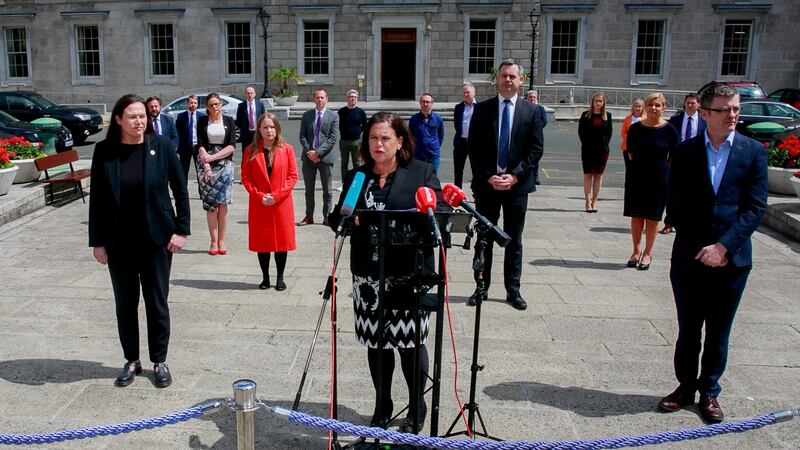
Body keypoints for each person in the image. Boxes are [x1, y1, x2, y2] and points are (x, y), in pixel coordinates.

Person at [327, 112, 445, 433]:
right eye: (373, 139)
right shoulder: (357, 177)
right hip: (368, 277)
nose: (378, 145)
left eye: (385, 138)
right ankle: (383, 403)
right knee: (377, 345)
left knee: (409, 342)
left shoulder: (421, 172)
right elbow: (340, 218)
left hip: (408, 274)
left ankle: (416, 405)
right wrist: (343, 220)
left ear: (400, 141)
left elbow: (439, 214)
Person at [659, 82, 767, 423]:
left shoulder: (753, 151)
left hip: (733, 258)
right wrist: (701, 248)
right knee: (688, 328)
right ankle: (685, 386)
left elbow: (755, 207)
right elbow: (675, 204)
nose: (733, 115)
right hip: (690, 257)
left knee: (720, 329)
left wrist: (723, 247)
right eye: (725, 110)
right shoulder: (686, 151)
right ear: (705, 114)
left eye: (736, 108)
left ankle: (710, 392)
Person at [88, 94, 190, 389]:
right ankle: (132, 359)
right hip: (118, 241)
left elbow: (180, 190)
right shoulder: (104, 150)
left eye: (143, 116)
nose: (139, 121)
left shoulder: (160, 146)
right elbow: (98, 199)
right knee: (125, 303)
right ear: (118, 119)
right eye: (132, 116)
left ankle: (159, 360)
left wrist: (181, 230)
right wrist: (97, 241)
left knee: (157, 302)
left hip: (156, 239)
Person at [467, 59, 544, 311]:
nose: (508, 80)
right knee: (484, 238)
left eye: (512, 76)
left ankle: (513, 290)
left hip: (517, 187)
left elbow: (535, 149)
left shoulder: (531, 112)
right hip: (487, 186)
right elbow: (474, 148)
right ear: (497, 79)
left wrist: (515, 176)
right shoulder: (483, 110)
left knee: (514, 239)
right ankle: (481, 287)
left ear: (521, 80)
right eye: (503, 76)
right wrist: (489, 175)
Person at [241, 113, 298, 291]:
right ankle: (265, 277)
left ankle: (280, 277)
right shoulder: (250, 150)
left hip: (281, 203)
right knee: (262, 242)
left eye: (272, 127)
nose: (269, 130)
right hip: (260, 204)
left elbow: (292, 176)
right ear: (259, 129)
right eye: (265, 127)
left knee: (281, 242)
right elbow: (246, 177)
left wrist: (277, 195)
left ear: (277, 128)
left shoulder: (287, 149)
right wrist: (259, 195)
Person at [623, 93, 679, 271]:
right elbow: (630, 153)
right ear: (645, 107)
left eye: (657, 105)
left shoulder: (670, 129)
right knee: (636, 215)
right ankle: (635, 250)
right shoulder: (636, 128)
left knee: (653, 218)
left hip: (659, 177)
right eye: (650, 105)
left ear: (663, 107)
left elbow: (675, 155)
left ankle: (647, 253)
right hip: (637, 176)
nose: (653, 108)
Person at [196, 93, 237, 255]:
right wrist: (206, 163)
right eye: (211, 105)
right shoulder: (201, 121)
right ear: (207, 106)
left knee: (223, 204)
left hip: (225, 165)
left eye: (217, 104)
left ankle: (222, 240)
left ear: (221, 104)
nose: (215, 107)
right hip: (206, 166)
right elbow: (199, 144)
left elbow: (232, 145)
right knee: (211, 205)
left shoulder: (229, 121)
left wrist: (213, 157)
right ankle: (213, 241)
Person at [662, 93, 706, 234]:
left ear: (698, 105)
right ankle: (669, 222)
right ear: (684, 103)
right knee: (673, 191)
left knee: (693, 192)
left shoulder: (704, 121)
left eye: (693, 103)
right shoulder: (675, 120)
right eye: (688, 103)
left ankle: (689, 221)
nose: (690, 105)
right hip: (676, 159)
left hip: (696, 160)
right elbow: (668, 139)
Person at [298, 88, 339, 226]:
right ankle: (309, 216)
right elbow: (302, 136)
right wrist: (310, 151)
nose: (320, 100)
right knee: (309, 190)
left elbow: (332, 139)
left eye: (322, 97)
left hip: (325, 158)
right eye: (317, 97)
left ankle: (327, 217)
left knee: (327, 190)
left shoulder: (333, 116)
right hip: (308, 158)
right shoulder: (307, 115)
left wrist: (318, 152)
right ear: (313, 99)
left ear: (326, 99)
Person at [577, 91, 612, 213]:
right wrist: (587, 145)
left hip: (602, 151)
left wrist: (603, 146)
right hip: (588, 150)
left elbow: (609, 134)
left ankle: (595, 201)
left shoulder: (608, 115)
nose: (598, 103)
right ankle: (587, 201)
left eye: (600, 101)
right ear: (592, 102)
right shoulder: (585, 115)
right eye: (596, 100)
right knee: (587, 175)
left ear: (603, 103)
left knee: (598, 176)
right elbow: (581, 132)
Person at [337, 89, 367, 190]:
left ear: (357, 99)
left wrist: (357, 133)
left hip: (356, 142)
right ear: (347, 99)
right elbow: (338, 124)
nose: (353, 98)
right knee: (344, 163)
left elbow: (364, 126)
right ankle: (344, 183)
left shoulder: (360, 112)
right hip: (344, 141)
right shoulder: (341, 112)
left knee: (357, 163)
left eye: (354, 97)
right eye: (351, 97)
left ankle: (356, 183)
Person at [408, 93, 444, 175]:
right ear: (420, 103)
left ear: (432, 103)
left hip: (433, 155)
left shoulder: (438, 119)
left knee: (433, 180)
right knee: (417, 180)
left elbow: (440, 136)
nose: (425, 104)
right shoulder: (414, 119)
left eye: (428, 102)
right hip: (418, 155)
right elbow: (410, 136)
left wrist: (434, 146)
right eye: (423, 102)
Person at [175, 95, 205, 180]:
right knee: (183, 171)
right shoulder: (181, 116)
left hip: (198, 147)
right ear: (187, 103)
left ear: (197, 104)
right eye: (191, 103)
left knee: (200, 171)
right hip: (185, 147)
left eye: (195, 103)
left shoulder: (202, 117)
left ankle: (202, 191)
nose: (193, 105)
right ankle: (184, 191)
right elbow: (178, 132)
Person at [452, 83, 476, 188]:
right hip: (460, 142)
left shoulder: (480, 107)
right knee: (458, 169)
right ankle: (457, 191)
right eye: (464, 93)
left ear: (474, 93)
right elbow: (457, 125)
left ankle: (477, 192)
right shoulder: (458, 107)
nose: (466, 94)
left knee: (476, 169)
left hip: (474, 143)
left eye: (468, 92)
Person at [526, 89, 548, 185]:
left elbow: (544, 121)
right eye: (530, 97)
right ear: (527, 98)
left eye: (534, 97)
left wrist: (536, 129)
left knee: (535, 158)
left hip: (536, 137)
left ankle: (535, 177)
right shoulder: (523, 108)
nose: (532, 99)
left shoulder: (540, 109)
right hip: (525, 136)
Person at [236, 86, 265, 151]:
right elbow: (238, 120)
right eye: (248, 93)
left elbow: (263, 118)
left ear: (255, 94)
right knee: (246, 151)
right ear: (245, 94)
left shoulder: (260, 104)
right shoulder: (241, 105)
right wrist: (242, 130)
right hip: (246, 133)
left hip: (257, 132)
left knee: (258, 150)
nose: (250, 95)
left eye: (251, 93)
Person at [620, 98, 645, 168]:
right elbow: (623, 132)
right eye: (636, 106)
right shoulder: (627, 118)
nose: (637, 108)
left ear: (643, 108)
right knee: (629, 168)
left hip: (641, 148)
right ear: (633, 107)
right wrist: (630, 140)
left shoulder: (646, 119)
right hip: (628, 147)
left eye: (639, 106)